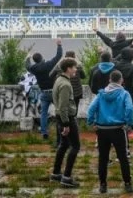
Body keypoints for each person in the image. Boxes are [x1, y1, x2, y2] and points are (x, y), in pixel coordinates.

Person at [87, 70, 133, 194]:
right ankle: (127, 183)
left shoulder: (101, 94)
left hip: (102, 130)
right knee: (123, 157)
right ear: (121, 80)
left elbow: (91, 109)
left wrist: (91, 123)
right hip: (118, 129)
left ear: (109, 80)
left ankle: (103, 184)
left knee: (103, 158)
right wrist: (129, 124)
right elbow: (129, 109)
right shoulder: (124, 94)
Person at [50, 58, 80, 188]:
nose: (76, 70)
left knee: (64, 144)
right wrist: (66, 124)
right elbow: (63, 106)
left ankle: (56, 173)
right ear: (68, 68)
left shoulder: (59, 80)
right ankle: (66, 177)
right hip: (66, 118)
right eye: (74, 67)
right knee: (75, 146)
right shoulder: (66, 85)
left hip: (60, 117)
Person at [25, 38, 63, 140]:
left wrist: (28, 57)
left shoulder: (34, 68)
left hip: (44, 93)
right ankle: (62, 130)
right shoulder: (48, 65)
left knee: (44, 114)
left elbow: (27, 66)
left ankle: (44, 132)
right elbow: (58, 56)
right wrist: (59, 45)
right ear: (42, 58)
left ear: (35, 60)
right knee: (60, 111)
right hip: (54, 92)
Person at [50, 50, 86, 148]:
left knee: (61, 117)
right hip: (76, 93)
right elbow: (84, 76)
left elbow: (50, 75)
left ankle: (60, 141)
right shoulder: (77, 66)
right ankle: (71, 140)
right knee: (72, 116)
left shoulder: (59, 67)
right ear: (74, 57)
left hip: (62, 92)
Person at [114, 47, 133, 158]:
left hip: (116, 96)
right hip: (128, 97)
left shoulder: (116, 66)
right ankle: (125, 150)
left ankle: (119, 149)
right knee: (125, 124)